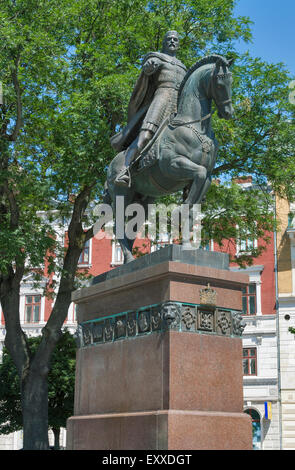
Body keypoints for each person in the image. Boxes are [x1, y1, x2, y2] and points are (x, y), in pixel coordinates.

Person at [111, 30, 187, 187]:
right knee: (145, 136)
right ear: (164, 42)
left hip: (178, 106)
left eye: (176, 40)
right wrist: (148, 67)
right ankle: (124, 170)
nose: (173, 41)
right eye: (169, 39)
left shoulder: (183, 66)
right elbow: (147, 69)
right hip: (161, 99)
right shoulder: (156, 57)